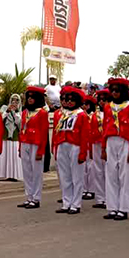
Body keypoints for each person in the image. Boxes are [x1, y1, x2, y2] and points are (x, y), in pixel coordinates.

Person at [102, 78, 129, 221]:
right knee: (111, 175)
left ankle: (124, 208)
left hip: (125, 141)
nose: (114, 93)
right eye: (112, 90)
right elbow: (105, 129)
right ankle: (112, 207)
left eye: (117, 90)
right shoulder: (108, 107)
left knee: (126, 175)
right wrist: (103, 148)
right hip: (111, 141)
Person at [52, 87, 89, 215]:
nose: (69, 102)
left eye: (72, 100)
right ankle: (66, 202)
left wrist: (83, 153)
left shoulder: (81, 115)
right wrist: (55, 149)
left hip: (75, 146)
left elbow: (85, 136)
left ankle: (76, 204)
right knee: (64, 176)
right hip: (62, 145)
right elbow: (56, 134)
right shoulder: (61, 114)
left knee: (76, 177)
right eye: (67, 100)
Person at [18, 86, 48, 209]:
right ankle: (29, 196)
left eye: (32, 97)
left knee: (36, 172)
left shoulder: (42, 113)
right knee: (27, 171)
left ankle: (36, 198)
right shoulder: (25, 112)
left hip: (36, 144)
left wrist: (41, 150)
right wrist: (20, 147)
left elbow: (44, 132)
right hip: (25, 142)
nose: (30, 99)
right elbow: (21, 129)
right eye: (28, 97)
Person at [90, 89, 109, 209]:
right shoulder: (94, 114)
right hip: (96, 144)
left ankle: (108, 198)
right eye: (100, 100)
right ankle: (100, 198)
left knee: (108, 171)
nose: (102, 102)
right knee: (97, 171)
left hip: (107, 144)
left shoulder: (112, 112)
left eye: (104, 100)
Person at [0, 94, 23, 181]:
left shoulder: (20, 112)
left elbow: (19, 123)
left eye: (17, 100)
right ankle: (3, 175)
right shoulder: (4, 108)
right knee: (4, 154)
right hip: (5, 135)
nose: (14, 102)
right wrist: (7, 111)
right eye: (13, 100)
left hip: (15, 136)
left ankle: (14, 175)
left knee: (14, 155)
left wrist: (15, 112)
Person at [82, 95, 97, 201]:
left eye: (86, 104)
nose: (84, 106)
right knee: (83, 168)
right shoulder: (81, 115)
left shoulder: (94, 116)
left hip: (92, 143)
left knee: (91, 168)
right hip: (84, 143)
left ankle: (92, 190)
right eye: (83, 104)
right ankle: (84, 189)